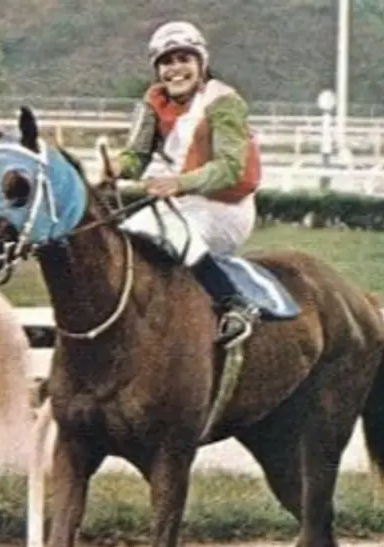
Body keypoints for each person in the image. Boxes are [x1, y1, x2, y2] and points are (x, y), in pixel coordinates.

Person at [106, 20, 263, 347]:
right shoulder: (152, 102)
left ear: (200, 63)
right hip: (177, 200)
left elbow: (230, 168)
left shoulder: (225, 102)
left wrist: (179, 183)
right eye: (166, 61)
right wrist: (116, 166)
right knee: (125, 238)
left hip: (224, 207)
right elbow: (137, 157)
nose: (175, 69)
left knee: (173, 233)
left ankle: (236, 304)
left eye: (183, 59)